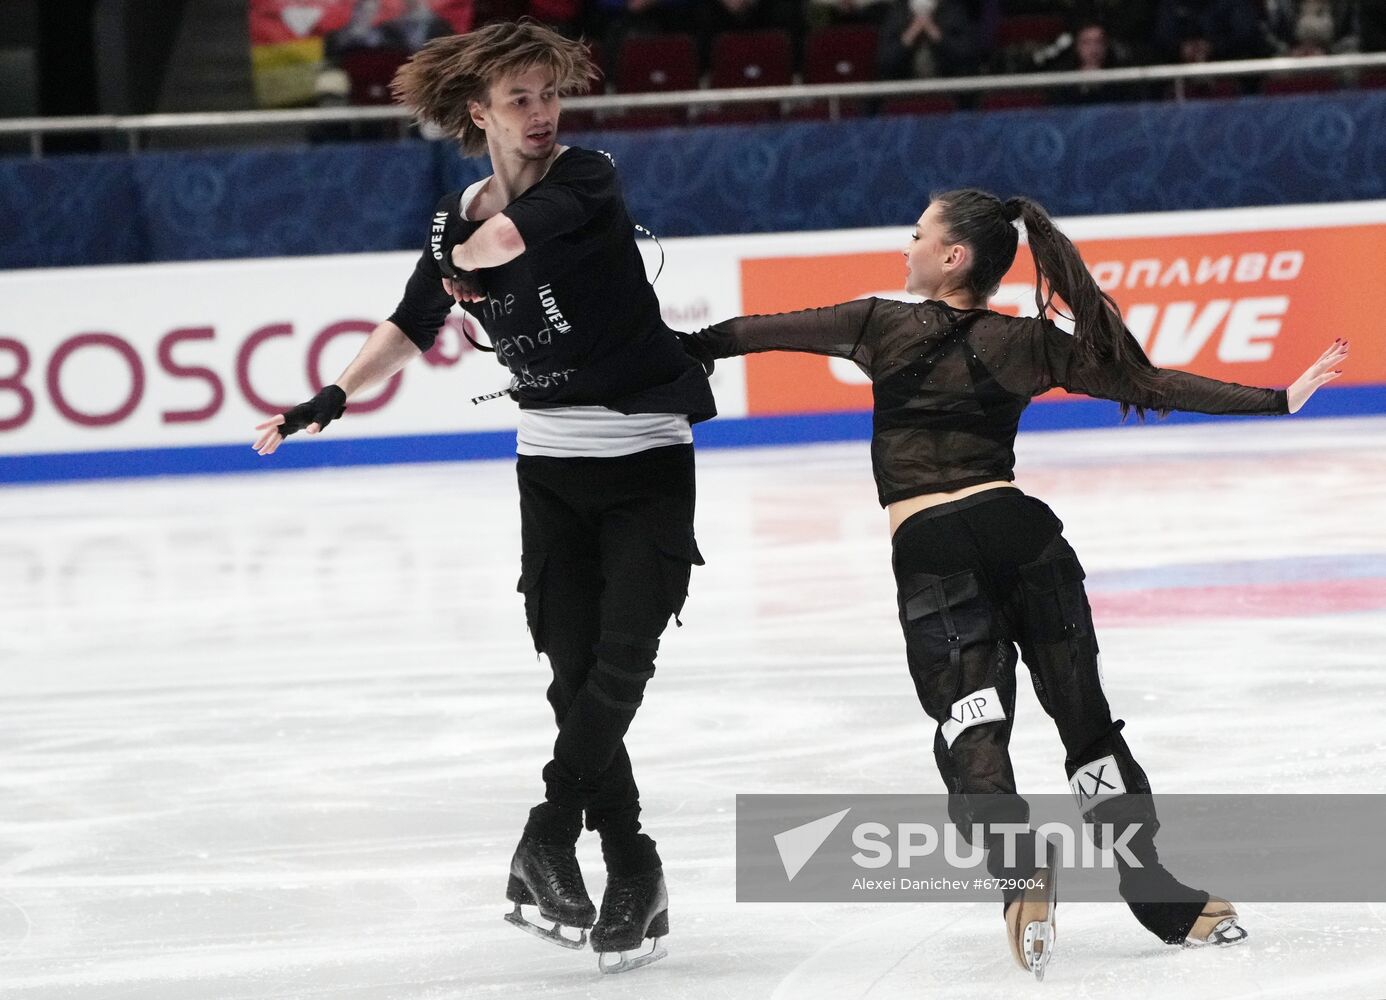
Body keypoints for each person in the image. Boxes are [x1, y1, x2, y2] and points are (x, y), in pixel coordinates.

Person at [679, 188, 1347, 978]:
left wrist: (652, 357)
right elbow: (1152, 384)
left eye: (919, 234)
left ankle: (1019, 863)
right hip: (1023, 538)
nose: (909, 246)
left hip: (934, 553)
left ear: (954, 256)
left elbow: (738, 336)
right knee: (1087, 728)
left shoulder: (875, 322)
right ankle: (1157, 890)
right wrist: (1278, 400)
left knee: (973, 728)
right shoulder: (1029, 343)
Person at [251, 19, 715, 975]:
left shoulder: (588, 178)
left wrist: (458, 260)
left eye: (549, 94)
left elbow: (509, 240)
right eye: (520, 100)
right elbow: (409, 320)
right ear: (480, 112)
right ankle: (633, 866)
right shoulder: (460, 207)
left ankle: (548, 834)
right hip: (549, 467)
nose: (541, 114)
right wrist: (330, 399)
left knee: (622, 661)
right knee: (573, 671)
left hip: (645, 456)